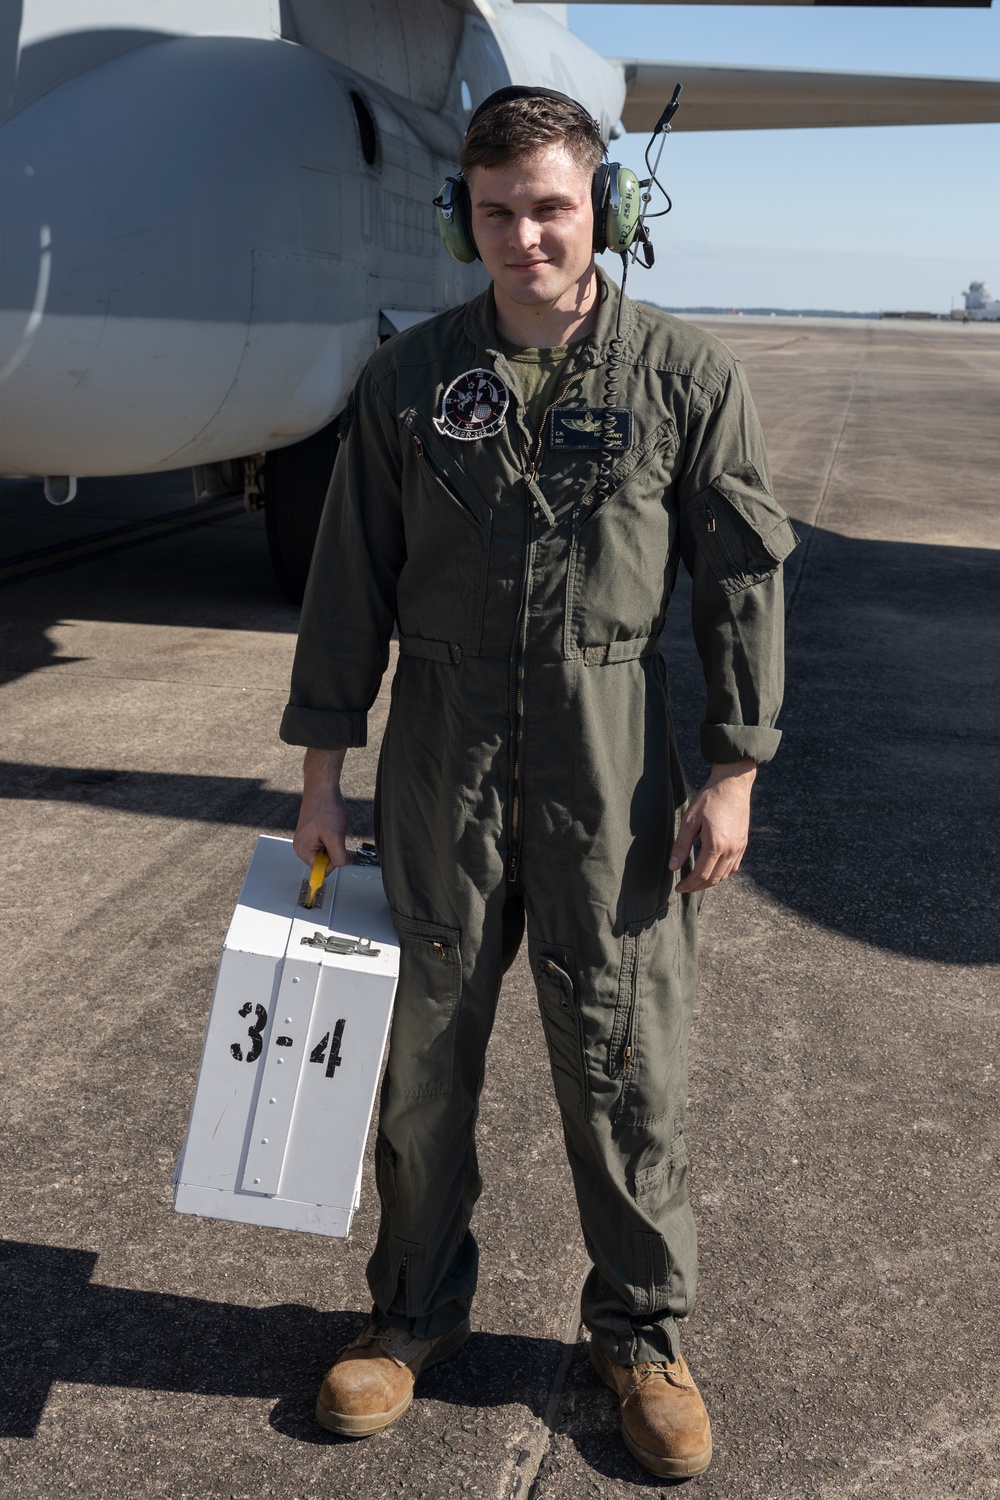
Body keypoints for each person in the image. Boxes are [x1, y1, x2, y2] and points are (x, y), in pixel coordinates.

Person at [279, 87, 797, 1480]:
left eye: (552, 206)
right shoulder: (405, 384)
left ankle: (640, 1335)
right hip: (440, 756)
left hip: (613, 765)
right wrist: (325, 780)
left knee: (626, 1060)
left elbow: (739, 593)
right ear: (466, 216)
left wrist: (735, 774)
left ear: (604, 209)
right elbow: (347, 590)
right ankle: (408, 1314)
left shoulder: (686, 378)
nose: (525, 236)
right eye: (497, 211)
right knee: (421, 1058)